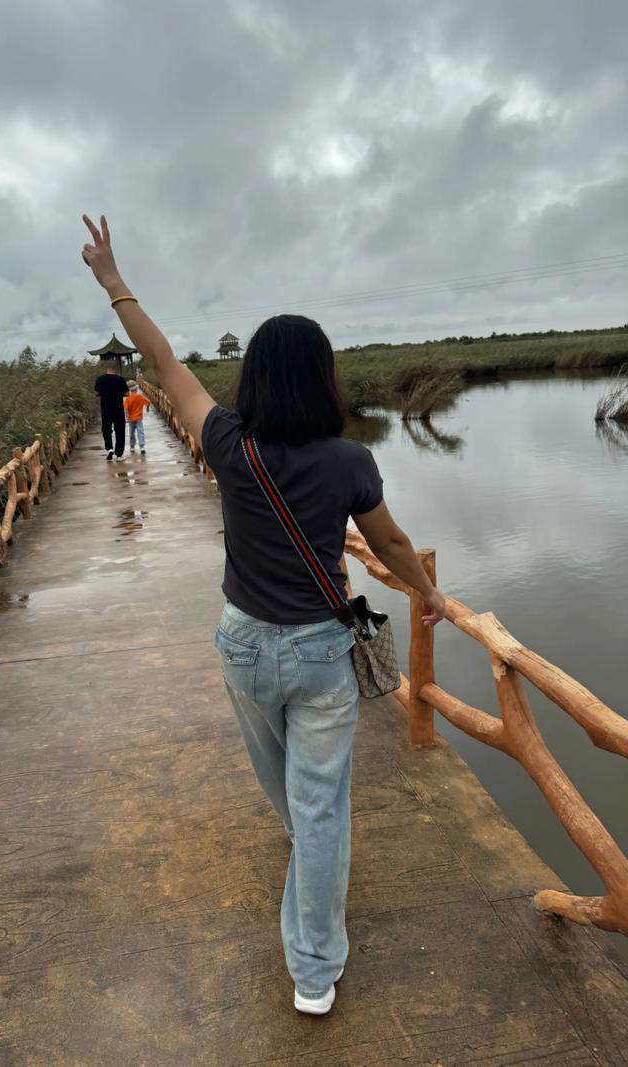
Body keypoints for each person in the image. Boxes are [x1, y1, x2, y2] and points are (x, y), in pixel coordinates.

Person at [81, 213, 446, 1016]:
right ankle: (314, 972)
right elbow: (390, 545)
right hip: (321, 655)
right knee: (317, 804)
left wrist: (113, 282)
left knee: (292, 797)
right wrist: (428, 592)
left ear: (253, 378)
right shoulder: (350, 459)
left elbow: (165, 360)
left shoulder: (225, 440)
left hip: (242, 645)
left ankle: (310, 864)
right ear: (322, 380)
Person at [94, 361, 129, 460]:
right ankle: (119, 455)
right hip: (118, 410)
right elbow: (127, 394)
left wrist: (104, 394)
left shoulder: (99, 379)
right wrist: (119, 394)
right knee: (120, 431)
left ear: (106, 368)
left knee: (106, 430)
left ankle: (109, 448)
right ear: (115, 368)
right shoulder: (120, 379)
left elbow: (96, 393)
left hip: (106, 409)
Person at [124, 379, 150, 453]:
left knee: (131, 433)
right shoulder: (140, 396)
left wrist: (127, 417)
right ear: (136, 388)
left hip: (131, 418)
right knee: (140, 431)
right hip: (139, 418)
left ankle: (132, 446)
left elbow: (126, 409)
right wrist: (147, 408)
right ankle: (142, 446)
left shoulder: (128, 399)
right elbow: (147, 402)